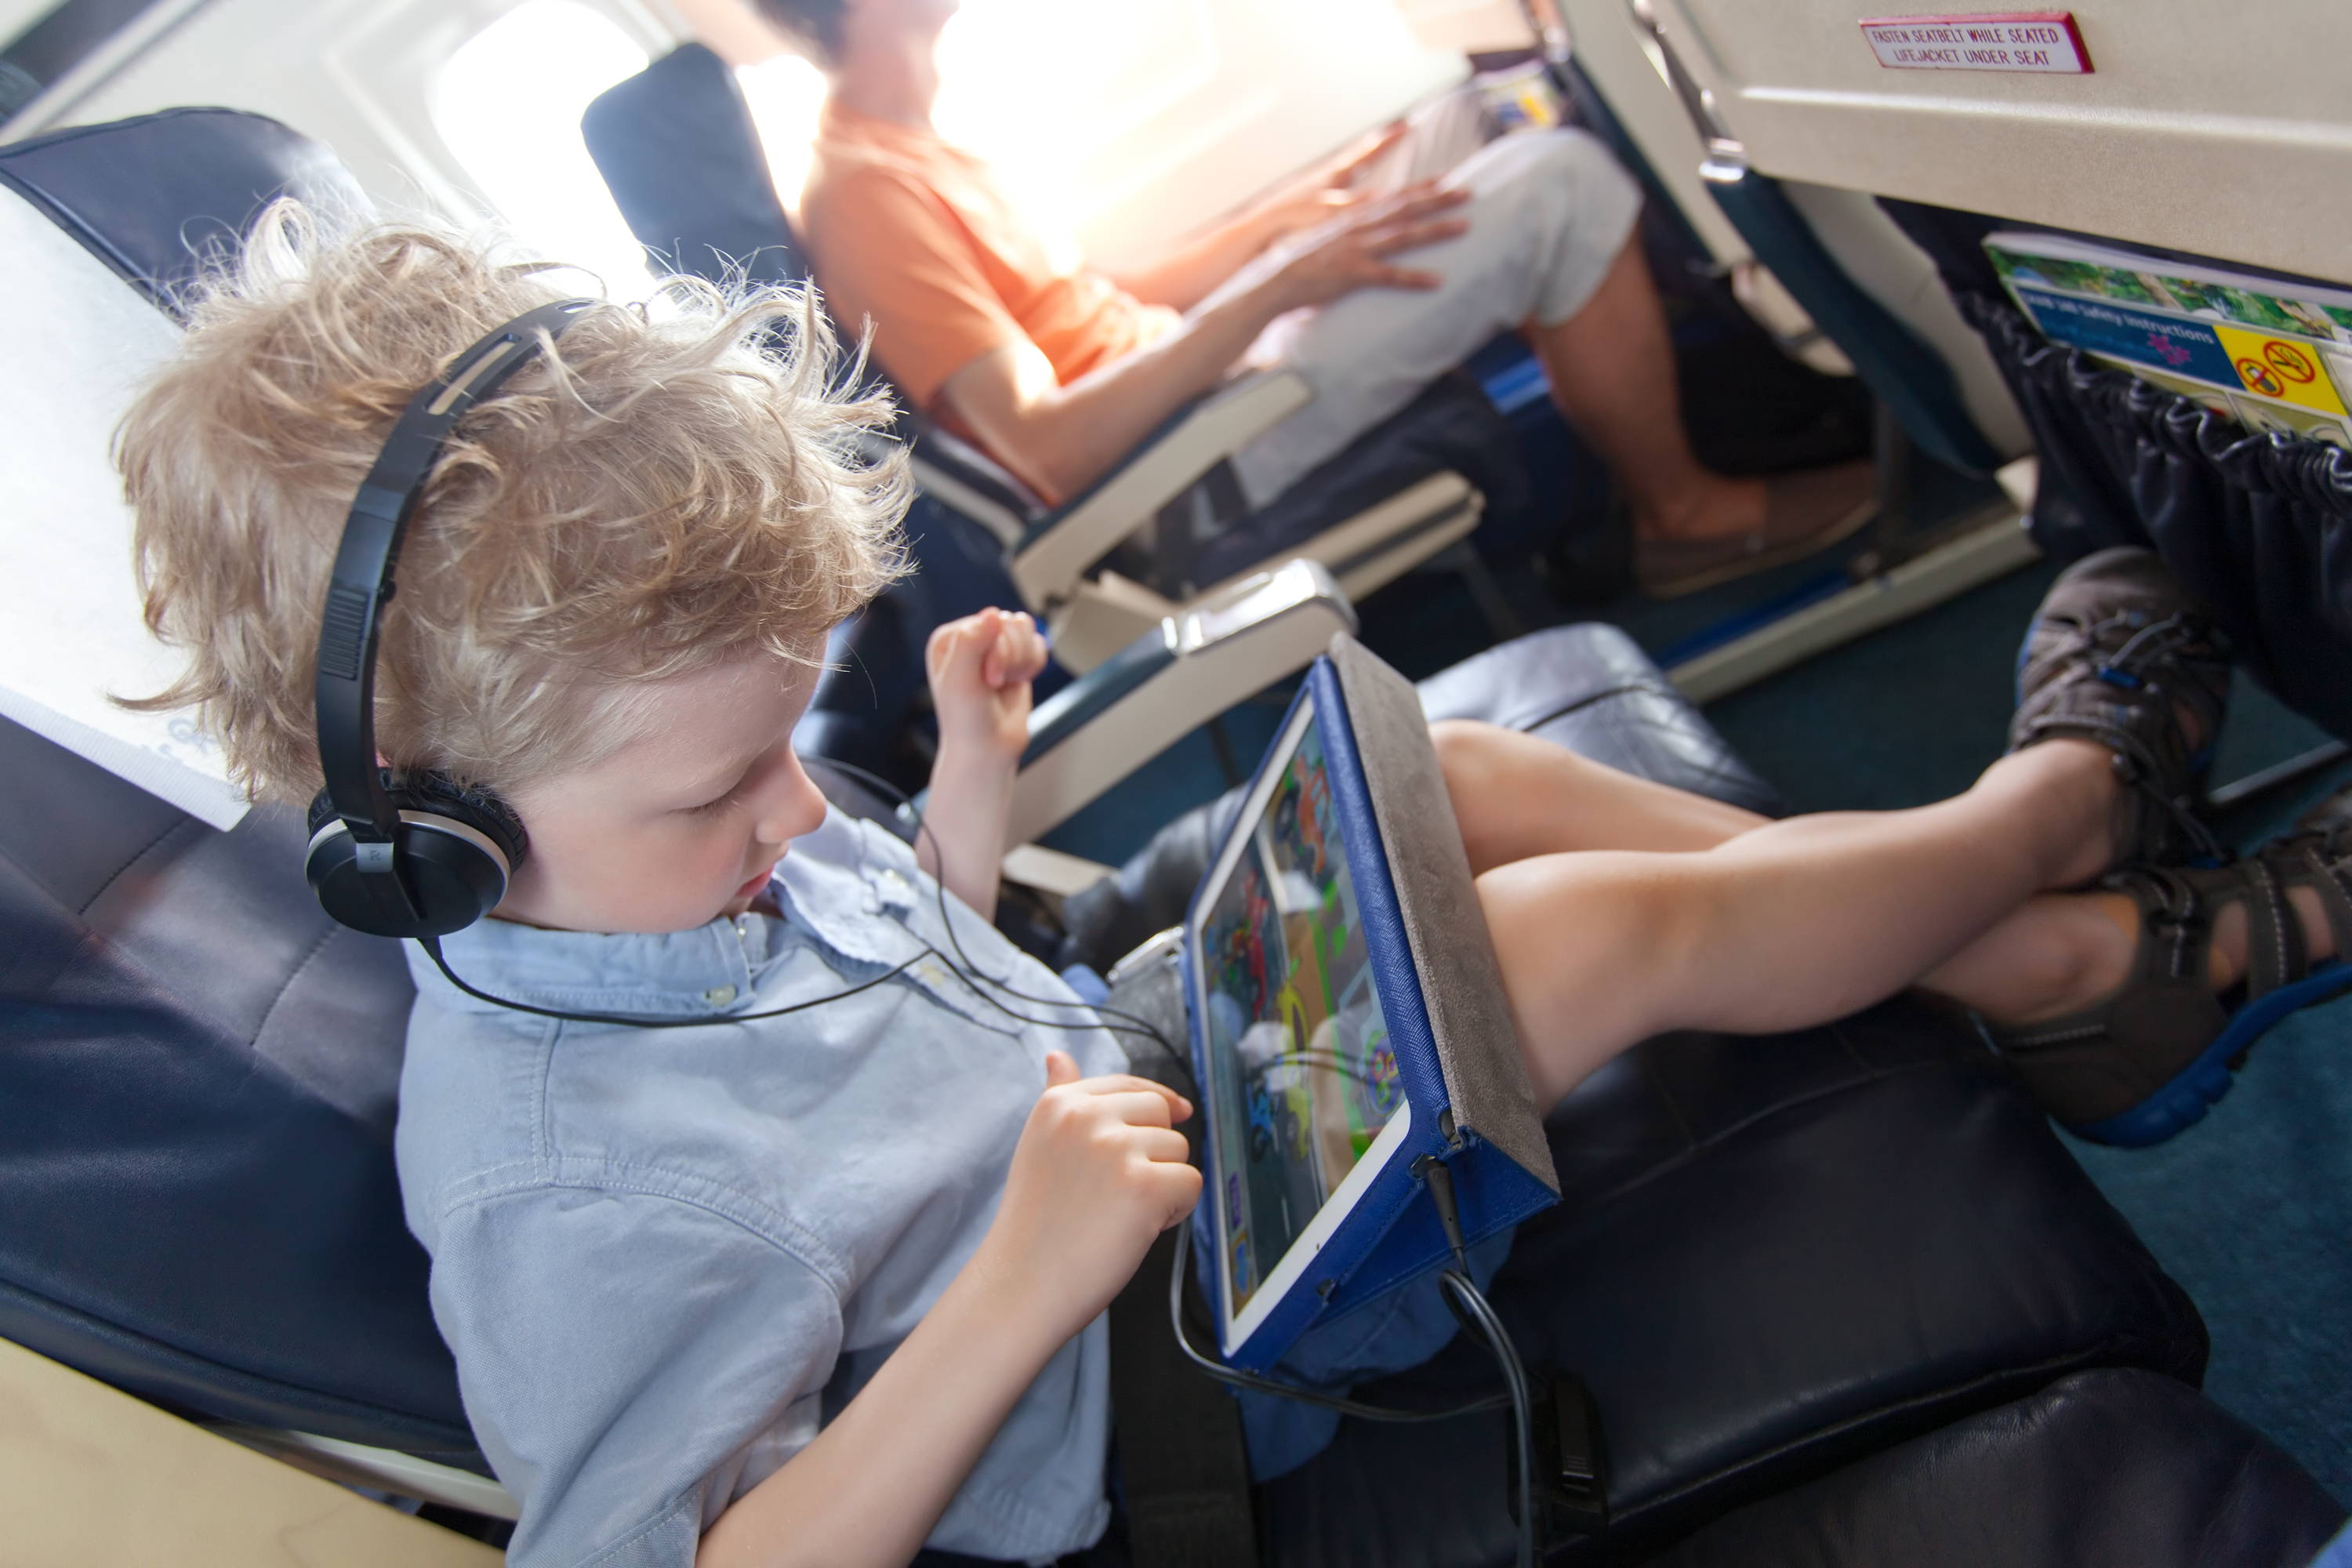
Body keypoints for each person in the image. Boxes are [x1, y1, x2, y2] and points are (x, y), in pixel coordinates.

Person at [118, 214, 2350, 1567]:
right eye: (722, 796)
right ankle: (2053, 843)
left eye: (793, 751)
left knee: (1445, 767)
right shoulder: (563, 1198)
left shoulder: (650, 857)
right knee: (1570, 952)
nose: (798, 828)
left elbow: (893, 1029)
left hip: (1133, 1112)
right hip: (1175, 1359)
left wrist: (966, 801)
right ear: (421, 830)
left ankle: (2066, 961)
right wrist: (1017, 1285)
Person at [760, 0, 1880, 599]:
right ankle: (1679, 517)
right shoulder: (866, 194)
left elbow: (1091, 302)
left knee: (1458, 128)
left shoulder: (910, 136)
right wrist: (1281, 288)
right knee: (1560, 182)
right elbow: (1049, 445)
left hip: (1204, 377)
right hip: (1192, 459)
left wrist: (1293, 219)